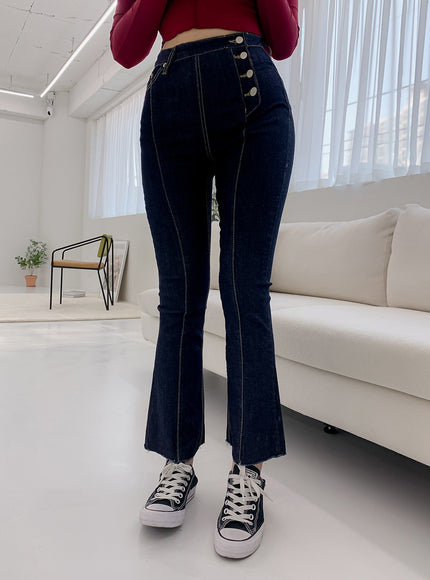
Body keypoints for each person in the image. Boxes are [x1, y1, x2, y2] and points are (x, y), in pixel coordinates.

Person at [110, 0, 299, 559]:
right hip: (168, 102)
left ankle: (249, 472)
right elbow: (125, 49)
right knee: (180, 298)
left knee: (245, 293)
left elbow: (285, 38)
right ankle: (178, 463)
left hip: (251, 91)